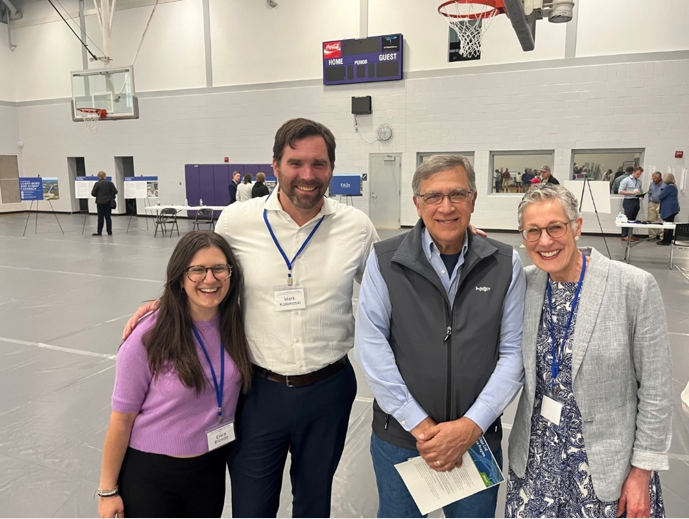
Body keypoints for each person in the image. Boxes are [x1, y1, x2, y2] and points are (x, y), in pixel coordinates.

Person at [123, 118, 379, 518]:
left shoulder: (356, 228)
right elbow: (206, 273)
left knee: (315, 504)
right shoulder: (237, 221)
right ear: (275, 165)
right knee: (251, 507)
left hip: (328, 390)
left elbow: (392, 289)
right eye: (295, 163)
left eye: (319, 164)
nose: (307, 175)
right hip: (257, 391)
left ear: (332, 167)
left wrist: (451, 240)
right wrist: (165, 301)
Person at [355, 154, 526, 518]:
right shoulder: (385, 260)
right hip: (400, 439)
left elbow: (513, 354)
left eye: (457, 194)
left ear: (474, 199)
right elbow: (372, 346)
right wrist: (420, 425)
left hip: (475, 441)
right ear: (417, 203)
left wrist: (469, 426)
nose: (445, 207)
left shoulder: (505, 263)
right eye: (433, 196)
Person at [506, 184, 672, 518]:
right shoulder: (524, 284)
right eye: (532, 231)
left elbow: (656, 390)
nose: (545, 241)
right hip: (537, 464)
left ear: (577, 226)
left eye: (555, 227)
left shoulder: (632, 287)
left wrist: (642, 472)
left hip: (607, 470)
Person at [98, 231, 253, 518]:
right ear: (180, 277)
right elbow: (121, 421)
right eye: (198, 270)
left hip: (210, 469)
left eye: (219, 268)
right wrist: (107, 491)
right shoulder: (148, 335)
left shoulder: (236, 325)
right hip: (152, 474)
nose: (210, 279)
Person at [619, 166, 644, 241]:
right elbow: (620, 191)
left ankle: (630, 234)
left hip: (636, 200)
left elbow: (640, 190)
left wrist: (641, 194)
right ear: (633, 172)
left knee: (633, 219)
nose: (638, 176)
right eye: (637, 174)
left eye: (639, 174)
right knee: (627, 218)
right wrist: (632, 193)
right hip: (629, 200)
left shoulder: (639, 182)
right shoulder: (626, 180)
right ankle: (624, 235)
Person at [91, 171, 118, 236]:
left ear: (99, 177)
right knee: (108, 217)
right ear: (105, 176)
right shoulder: (110, 183)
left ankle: (99, 232)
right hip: (108, 202)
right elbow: (115, 191)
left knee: (100, 217)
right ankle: (109, 231)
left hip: (100, 203)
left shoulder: (97, 184)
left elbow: (93, 193)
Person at [657, 172, 680, 246]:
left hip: (669, 209)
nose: (663, 179)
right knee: (669, 224)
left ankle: (666, 240)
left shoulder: (669, 187)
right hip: (672, 208)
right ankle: (666, 239)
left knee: (668, 225)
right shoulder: (673, 186)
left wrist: (661, 190)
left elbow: (660, 196)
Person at [647, 171, 665, 238]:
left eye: (655, 178)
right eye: (653, 178)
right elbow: (649, 193)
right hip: (652, 203)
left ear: (660, 178)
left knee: (661, 220)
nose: (654, 180)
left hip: (661, 204)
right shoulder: (651, 184)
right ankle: (652, 236)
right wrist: (649, 202)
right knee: (651, 220)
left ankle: (662, 236)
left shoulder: (664, 184)